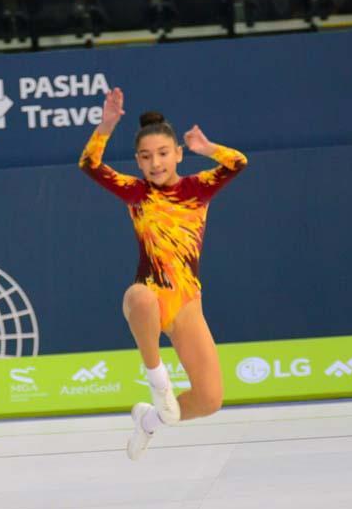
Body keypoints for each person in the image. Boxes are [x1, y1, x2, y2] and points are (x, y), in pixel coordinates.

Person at [79, 88, 248, 460]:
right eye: (145, 156)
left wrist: (208, 148)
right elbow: (90, 165)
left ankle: (149, 421)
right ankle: (157, 379)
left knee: (209, 399)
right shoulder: (137, 193)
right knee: (137, 296)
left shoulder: (197, 188)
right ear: (137, 161)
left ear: (177, 154)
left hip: (187, 301)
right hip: (150, 293)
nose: (155, 163)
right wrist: (107, 124)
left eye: (162, 154)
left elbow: (237, 163)